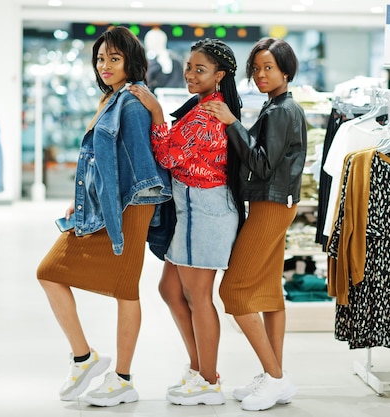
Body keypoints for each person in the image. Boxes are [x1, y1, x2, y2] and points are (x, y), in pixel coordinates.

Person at [36, 26, 171, 407]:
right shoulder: (111, 99)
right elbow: (104, 164)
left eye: (114, 58)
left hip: (132, 206)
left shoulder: (131, 102)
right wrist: (84, 201)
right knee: (50, 272)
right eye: (100, 59)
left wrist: (122, 209)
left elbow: (145, 163)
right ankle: (86, 358)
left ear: (131, 62)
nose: (106, 65)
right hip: (111, 203)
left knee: (125, 289)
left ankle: (123, 379)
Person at [128, 38, 244, 406]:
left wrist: (158, 115)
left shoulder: (211, 111)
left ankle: (209, 381)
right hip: (192, 210)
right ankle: (198, 368)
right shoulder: (203, 106)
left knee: (199, 296)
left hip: (204, 211)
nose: (191, 74)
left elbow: (168, 155)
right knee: (171, 290)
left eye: (200, 69)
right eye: (190, 67)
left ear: (219, 75)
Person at [202, 37, 306, 411]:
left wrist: (231, 122)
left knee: (235, 291)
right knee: (268, 292)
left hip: (270, 204)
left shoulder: (281, 111)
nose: (261, 75)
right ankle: (274, 375)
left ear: (286, 71)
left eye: (269, 68)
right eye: (256, 68)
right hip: (276, 203)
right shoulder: (278, 107)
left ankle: (275, 377)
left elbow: (261, 164)